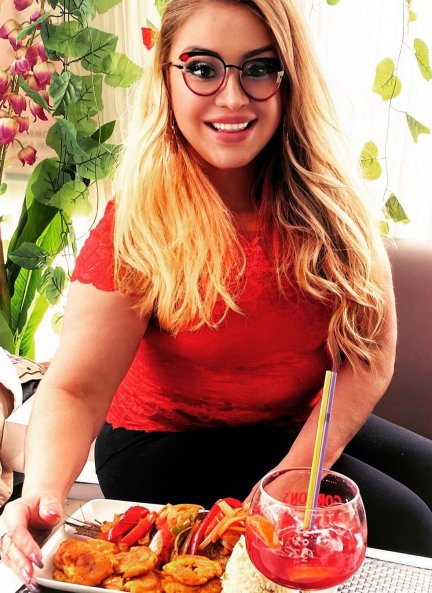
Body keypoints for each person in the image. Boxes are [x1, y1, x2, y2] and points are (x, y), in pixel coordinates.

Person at [1, 0, 432, 588]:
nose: (233, 98)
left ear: (289, 79)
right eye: (203, 68)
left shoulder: (334, 205)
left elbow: (368, 357)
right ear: (169, 79)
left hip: (287, 419)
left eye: (258, 68)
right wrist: (43, 495)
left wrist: (296, 473)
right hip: (166, 443)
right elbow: (75, 387)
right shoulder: (137, 225)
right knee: (410, 523)